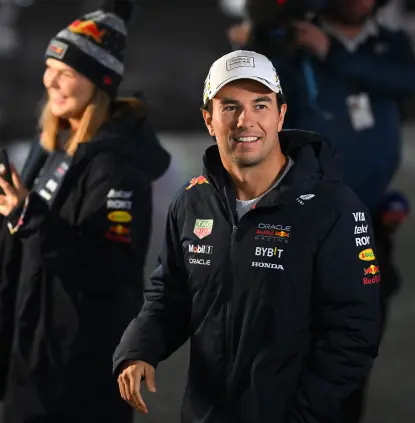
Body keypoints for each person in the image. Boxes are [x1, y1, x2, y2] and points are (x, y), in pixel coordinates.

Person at [113, 49, 381, 423]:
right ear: (209, 119)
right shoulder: (192, 202)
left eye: (260, 105)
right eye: (230, 107)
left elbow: (353, 334)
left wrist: (301, 415)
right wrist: (138, 349)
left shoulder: (333, 208)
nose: (245, 121)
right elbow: (170, 294)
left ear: (281, 114)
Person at [228, 1, 415, 420]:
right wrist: (262, 48)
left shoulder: (390, 45)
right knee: (291, 339)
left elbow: (406, 79)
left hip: (367, 219)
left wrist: (332, 53)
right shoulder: (295, 43)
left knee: (354, 341)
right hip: (304, 221)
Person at [0, 1, 171, 422]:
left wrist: (28, 217)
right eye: (49, 68)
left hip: (78, 375)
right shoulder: (53, 142)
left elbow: (106, 271)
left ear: (99, 84)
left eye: (68, 73)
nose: (51, 82)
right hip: (32, 365)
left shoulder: (116, 166)